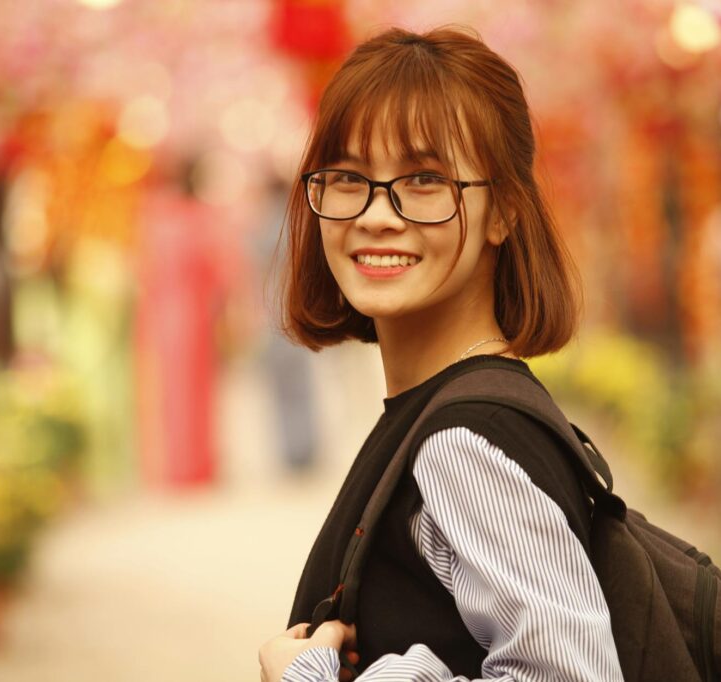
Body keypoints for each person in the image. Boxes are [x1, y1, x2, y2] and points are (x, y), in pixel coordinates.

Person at [259, 26, 624, 681]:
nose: (376, 214)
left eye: (424, 179)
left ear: (505, 210)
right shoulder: (433, 414)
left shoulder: (466, 443)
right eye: (347, 176)